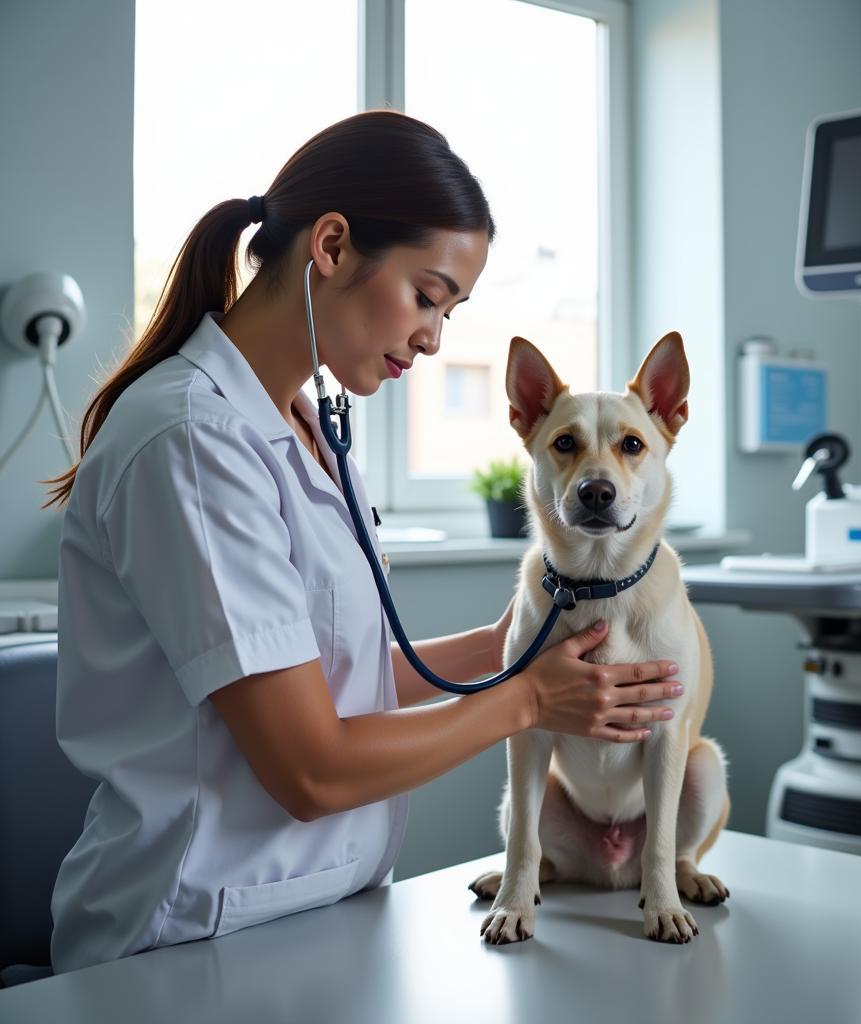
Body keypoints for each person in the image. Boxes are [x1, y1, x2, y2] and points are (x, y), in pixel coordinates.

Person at [43, 110, 683, 973]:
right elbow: (311, 766)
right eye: (427, 296)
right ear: (334, 247)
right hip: (183, 933)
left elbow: (332, 672)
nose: (432, 337)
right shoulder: (190, 439)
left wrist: (509, 647)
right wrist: (526, 699)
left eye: (450, 312)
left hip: (314, 913)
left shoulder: (299, 425)